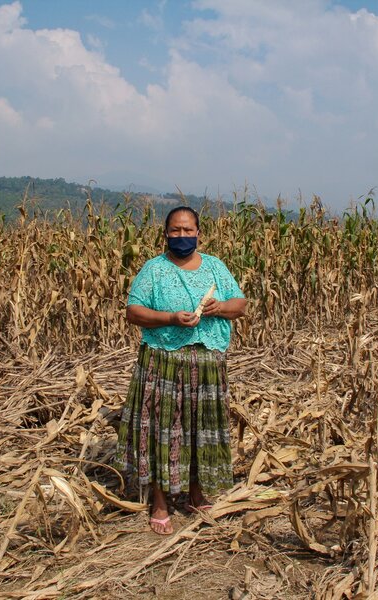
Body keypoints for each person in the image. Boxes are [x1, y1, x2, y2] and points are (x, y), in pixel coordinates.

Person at [115, 206, 247, 535]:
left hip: (206, 366)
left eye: (188, 231)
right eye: (176, 231)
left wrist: (219, 308)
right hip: (163, 362)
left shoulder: (215, 267)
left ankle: (195, 493)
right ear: (166, 234)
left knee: (197, 430)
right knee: (162, 430)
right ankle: (159, 501)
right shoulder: (154, 269)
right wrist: (171, 318)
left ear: (199, 234)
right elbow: (133, 312)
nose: (182, 236)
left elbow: (240, 304)